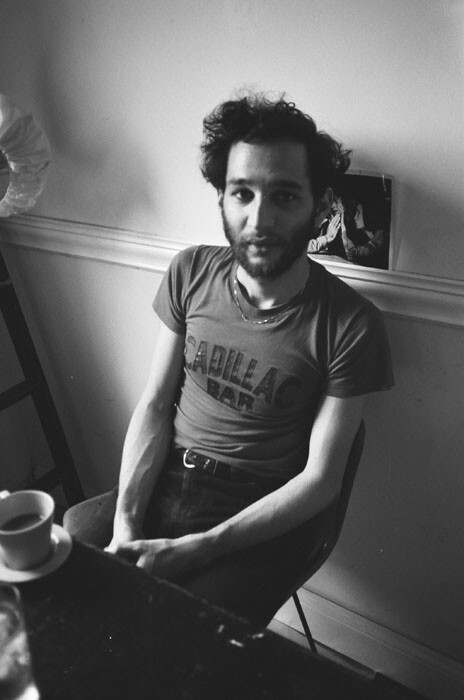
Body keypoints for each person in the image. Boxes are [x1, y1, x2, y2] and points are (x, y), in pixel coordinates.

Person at [64, 94, 393, 625]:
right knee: (78, 544)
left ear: (320, 205)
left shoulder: (351, 322)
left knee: (186, 627)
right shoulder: (190, 272)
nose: (258, 219)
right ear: (222, 197)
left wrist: (200, 547)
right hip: (171, 474)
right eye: (242, 192)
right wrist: (127, 523)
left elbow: (321, 481)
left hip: (255, 504)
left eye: (284, 195)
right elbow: (155, 405)